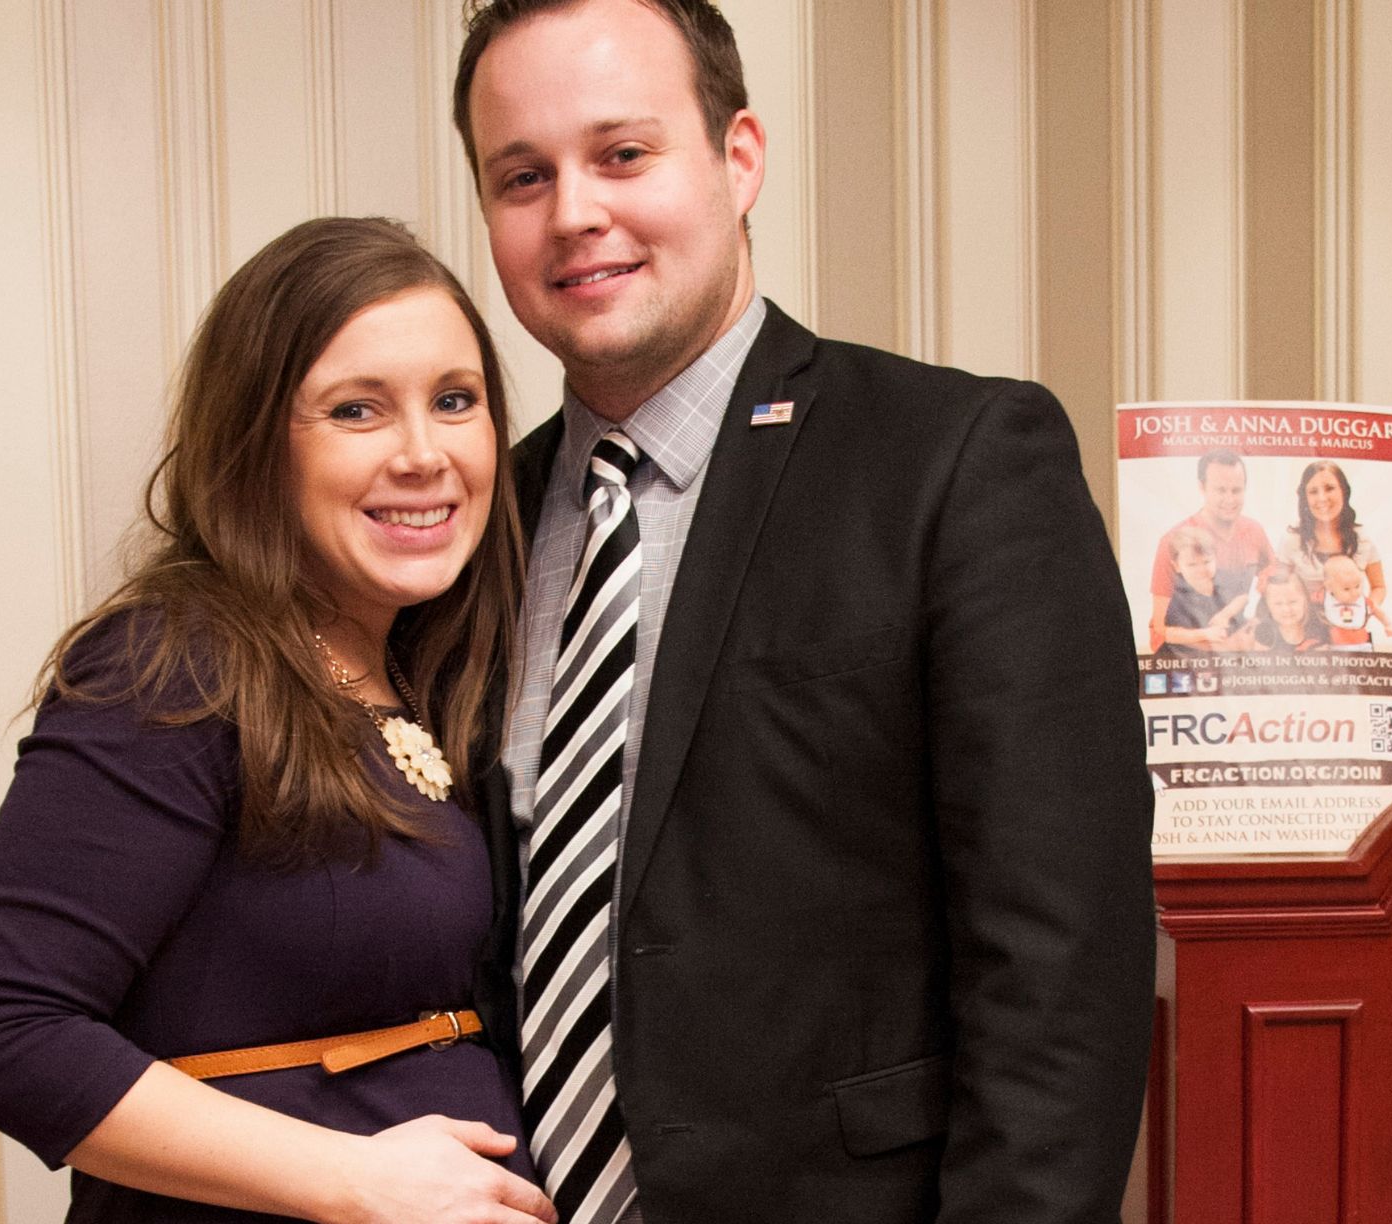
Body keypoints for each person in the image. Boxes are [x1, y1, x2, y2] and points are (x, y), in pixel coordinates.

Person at [452, 2, 1155, 1220]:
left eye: (623, 154)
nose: (573, 212)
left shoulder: (957, 462)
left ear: (738, 160)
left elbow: (1060, 974)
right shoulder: (478, 528)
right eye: (523, 176)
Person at [0, 218, 556, 1224]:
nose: (423, 452)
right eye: (357, 410)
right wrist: (358, 1180)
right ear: (257, 443)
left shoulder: (411, 672)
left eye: (455, 400)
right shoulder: (176, 663)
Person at [1146, 448, 1273, 650]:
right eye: (1220, 490)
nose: (1229, 500)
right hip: (1192, 657)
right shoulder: (1172, 542)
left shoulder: (1254, 531)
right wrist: (1221, 645)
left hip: (1239, 655)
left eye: (1236, 490)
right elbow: (1158, 632)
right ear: (1202, 488)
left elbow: (1274, 583)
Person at [1278, 458, 1388, 604]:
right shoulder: (1292, 540)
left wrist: (1365, 611)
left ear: (1343, 491)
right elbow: (1279, 588)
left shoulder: (1362, 538)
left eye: (1329, 488)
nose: (1322, 498)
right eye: (1313, 492)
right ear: (1305, 498)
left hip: (1349, 623)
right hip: (1306, 624)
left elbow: (1378, 587)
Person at [1156, 526, 1249, 658]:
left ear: (1216, 558)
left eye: (1206, 561)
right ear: (1177, 566)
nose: (1201, 570)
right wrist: (1205, 633)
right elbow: (1169, 634)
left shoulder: (1224, 578)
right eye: (1192, 565)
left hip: (1223, 652)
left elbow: (1243, 596)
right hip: (1184, 657)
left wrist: (1225, 614)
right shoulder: (1175, 596)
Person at [1243, 565, 1332, 654]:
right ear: (1267, 606)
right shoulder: (1265, 633)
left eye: (1293, 602)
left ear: (1305, 600)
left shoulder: (1320, 628)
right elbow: (1261, 665)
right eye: (1278, 604)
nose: (1287, 609)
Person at [1319, 553, 1392, 650]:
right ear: (1329, 587)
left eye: (1357, 586)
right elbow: (1306, 602)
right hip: (1335, 646)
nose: (1354, 593)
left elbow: (1377, 610)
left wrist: (1388, 624)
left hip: (1362, 645)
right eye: (1346, 589)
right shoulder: (1324, 598)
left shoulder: (1363, 602)